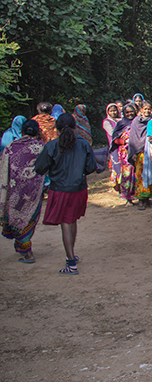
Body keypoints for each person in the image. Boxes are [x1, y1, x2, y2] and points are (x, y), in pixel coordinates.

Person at [34, 113, 97, 274]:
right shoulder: (83, 144)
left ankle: (71, 262)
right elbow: (90, 168)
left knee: (65, 223)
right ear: (75, 126)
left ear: (57, 128)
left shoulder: (52, 145)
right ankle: (72, 255)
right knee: (72, 219)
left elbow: (40, 168)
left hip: (60, 189)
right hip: (78, 188)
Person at [1, 119, 45, 263]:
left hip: (14, 191)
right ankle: (24, 247)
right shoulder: (41, 147)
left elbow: (3, 169)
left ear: (21, 131)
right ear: (38, 131)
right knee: (29, 218)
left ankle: (28, 252)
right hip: (34, 191)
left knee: (16, 217)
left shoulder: (11, 147)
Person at [110, 104, 136, 205]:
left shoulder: (138, 122)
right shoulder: (121, 124)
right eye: (127, 112)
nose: (130, 114)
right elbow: (115, 139)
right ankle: (127, 197)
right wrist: (124, 141)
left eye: (131, 112)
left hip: (137, 152)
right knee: (127, 174)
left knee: (137, 173)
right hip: (125, 154)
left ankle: (138, 196)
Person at [102, 103, 120, 182]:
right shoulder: (106, 122)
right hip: (114, 146)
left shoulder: (121, 120)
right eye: (111, 111)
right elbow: (112, 133)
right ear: (108, 112)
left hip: (123, 146)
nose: (113, 113)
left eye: (115, 110)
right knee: (116, 165)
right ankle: (117, 184)